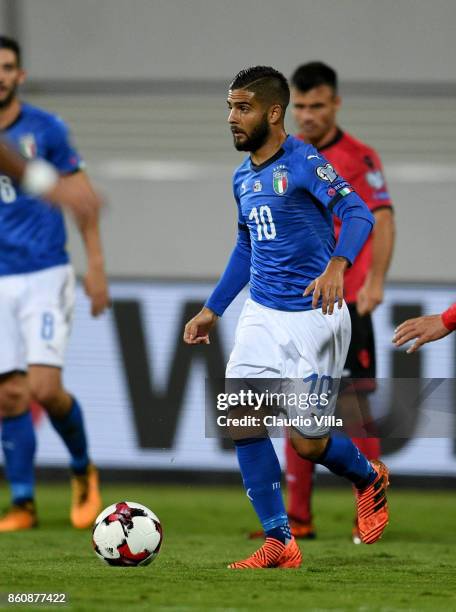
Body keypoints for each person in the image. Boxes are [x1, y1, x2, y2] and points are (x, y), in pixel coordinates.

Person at [184, 65, 389, 569]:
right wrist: (213, 309)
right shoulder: (242, 176)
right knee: (242, 417)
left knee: (308, 441)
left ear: (274, 113)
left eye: (243, 107)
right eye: (230, 107)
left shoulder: (304, 161)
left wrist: (339, 265)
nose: (232, 117)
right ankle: (280, 541)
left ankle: (368, 477)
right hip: (262, 312)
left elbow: (359, 212)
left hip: (314, 317)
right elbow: (245, 245)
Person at [260, 62, 394, 544]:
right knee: (298, 408)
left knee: (354, 407)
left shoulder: (360, 157)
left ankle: (371, 504)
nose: (308, 114)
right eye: (300, 106)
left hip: (349, 298)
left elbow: (380, 217)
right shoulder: (284, 156)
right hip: (296, 304)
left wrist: (375, 279)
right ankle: (299, 518)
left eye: (317, 105)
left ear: (336, 103)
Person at [0, 35, 109, 531]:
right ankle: (23, 502)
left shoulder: (47, 128)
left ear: (19, 74)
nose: (0, 75)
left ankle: (82, 468)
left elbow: (79, 194)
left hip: (45, 271)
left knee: (44, 388)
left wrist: (96, 265)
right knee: (8, 395)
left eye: (6, 67)